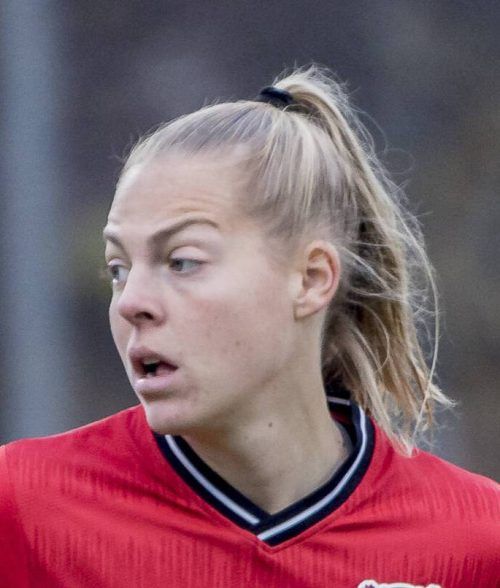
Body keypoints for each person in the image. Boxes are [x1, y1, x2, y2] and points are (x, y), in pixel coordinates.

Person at [0, 65, 498, 588]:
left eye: (182, 261)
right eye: (118, 268)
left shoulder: (476, 542)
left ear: (311, 279)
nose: (131, 302)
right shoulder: (23, 510)